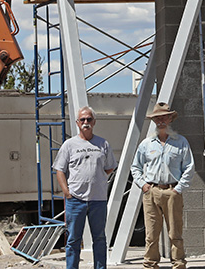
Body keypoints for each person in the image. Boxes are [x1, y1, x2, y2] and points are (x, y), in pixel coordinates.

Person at [131, 102, 195, 269]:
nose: (161, 121)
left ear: (169, 119)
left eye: (164, 117)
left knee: (175, 233)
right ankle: (150, 264)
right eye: (157, 118)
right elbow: (135, 166)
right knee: (151, 234)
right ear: (153, 121)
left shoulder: (181, 142)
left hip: (172, 191)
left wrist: (178, 188)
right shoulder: (146, 144)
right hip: (152, 192)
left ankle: (178, 264)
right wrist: (143, 185)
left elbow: (189, 166)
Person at [54, 106, 117, 269]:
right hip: (75, 200)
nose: (86, 122)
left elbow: (110, 167)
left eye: (89, 119)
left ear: (94, 122)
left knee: (100, 239)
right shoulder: (69, 145)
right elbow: (59, 170)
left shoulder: (103, 144)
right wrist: (66, 192)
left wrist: (96, 177)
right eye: (82, 119)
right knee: (73, 239)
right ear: (77, 122)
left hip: (98, 200)